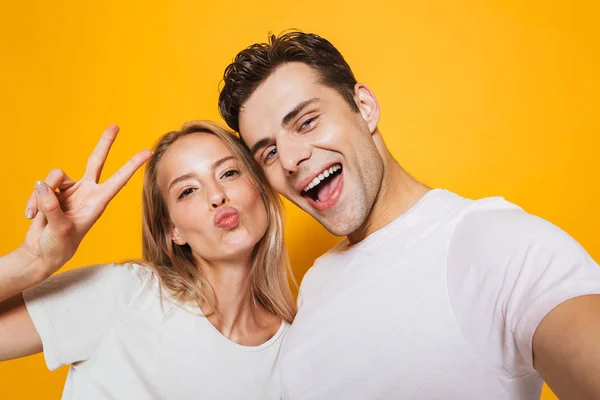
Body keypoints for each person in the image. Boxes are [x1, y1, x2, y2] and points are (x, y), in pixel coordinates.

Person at [218, 31, 600, 399]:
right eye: (268, 152)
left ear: (364, 108)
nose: (289, 159)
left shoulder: (491, 241)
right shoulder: (317, 283)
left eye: (306, 122)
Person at [0, 120, 296, 399]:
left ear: (261, 188)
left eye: (229, 173)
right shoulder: (125, 294)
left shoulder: (294, 353)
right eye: (188, 190)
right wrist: (33, 261)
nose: (217, 195)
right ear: (173, 230)